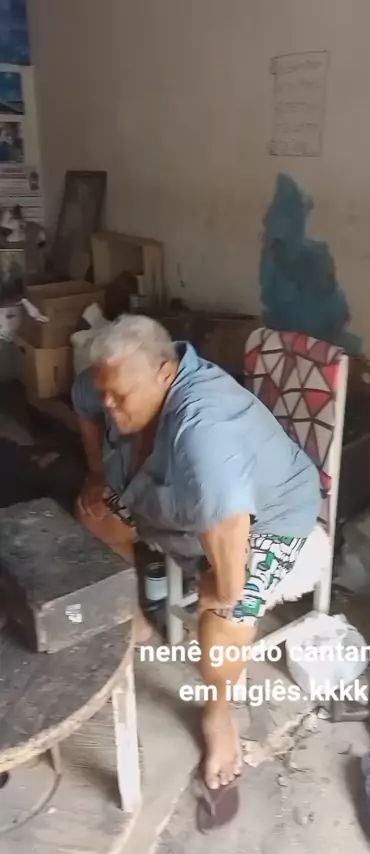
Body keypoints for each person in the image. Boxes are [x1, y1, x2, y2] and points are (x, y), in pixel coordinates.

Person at [72, 315, 320, 796]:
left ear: (165, 373)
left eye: (119, 397)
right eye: (106, 394)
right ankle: (136, 620)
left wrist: (222, 589)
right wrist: (97, 471)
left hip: (267, 517)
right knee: (94, 515)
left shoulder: (206, 429)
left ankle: (219, 713)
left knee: (229, 612)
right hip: (171, 500)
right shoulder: (113, 377)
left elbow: (230, 539)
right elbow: (85, 399)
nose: (108, 406)